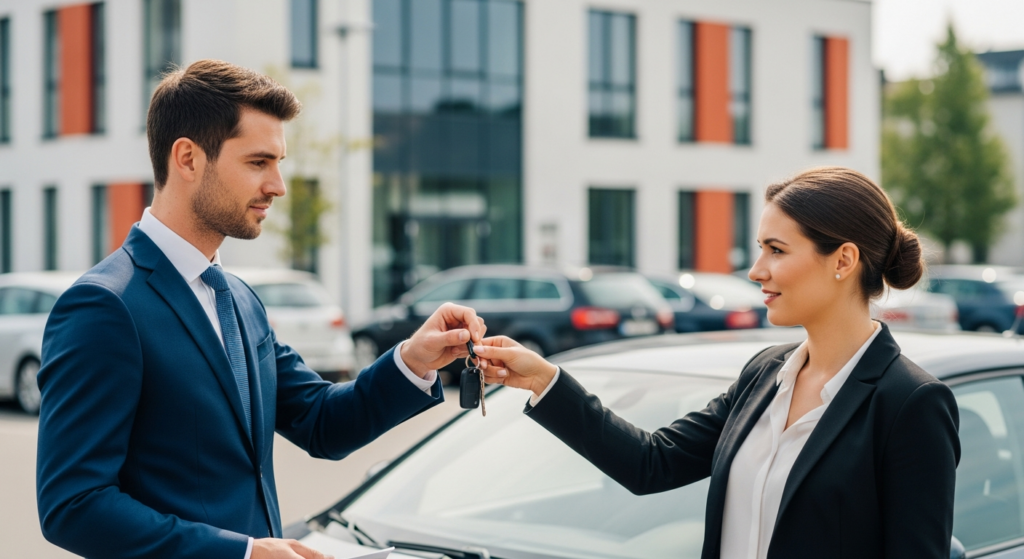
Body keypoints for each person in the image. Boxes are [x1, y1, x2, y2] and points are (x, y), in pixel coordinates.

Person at [35, 60, 486, 559]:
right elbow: (73, 506)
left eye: (279, 163)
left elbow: (321, 422)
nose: (278, 185)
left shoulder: (240, 299)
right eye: (258, 162)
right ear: (187, 158)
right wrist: (243, 553)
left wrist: (414, 361)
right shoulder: (104, 306)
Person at [475, 167, 961, 559]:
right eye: (760, 250)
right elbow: (652, 462)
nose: (756, 271)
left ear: (842, 260)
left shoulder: (911, 404)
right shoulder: (766, 374)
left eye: (777, 250)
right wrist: (544, 379)